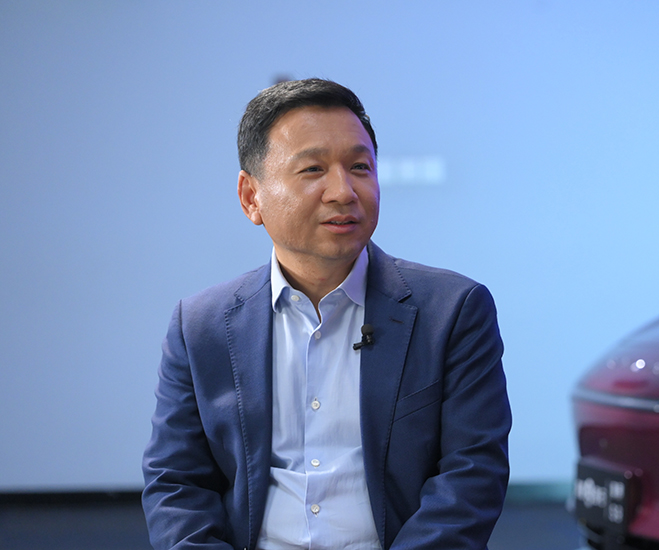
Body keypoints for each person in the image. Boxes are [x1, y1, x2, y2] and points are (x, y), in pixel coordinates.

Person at [141, 78, 512, 550]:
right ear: (251, 197)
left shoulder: (452, 311)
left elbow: (471, 475)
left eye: (359, 167)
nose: (343, 191)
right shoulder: (200, 326)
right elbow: (176, 483)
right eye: (313, 169)